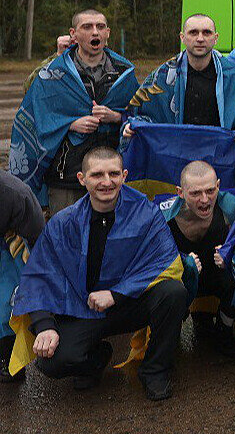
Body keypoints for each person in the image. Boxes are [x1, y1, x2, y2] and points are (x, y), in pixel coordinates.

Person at [10, 147, 190, 401]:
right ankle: (95, 359)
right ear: (82, 179)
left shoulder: (146, 212)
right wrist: (45, 326)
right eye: (97, 175)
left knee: (173, 292)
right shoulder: (63, 222)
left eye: (113, 174)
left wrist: (117, 293)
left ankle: (155, 370)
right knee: (51, 362)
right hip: (83, 308)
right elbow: (40, 274)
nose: (107, 182)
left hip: (131, 303)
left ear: (124, 175)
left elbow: (165, 262)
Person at [10, 9, 139, 211]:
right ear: (73, 34)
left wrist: (116, 117)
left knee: (109, 229)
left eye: (100, 27)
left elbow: (140, 114)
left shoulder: (125, 72)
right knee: (65, 229)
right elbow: (36, 113)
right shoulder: (55, 73)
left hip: (111, 177)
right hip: (66, 177)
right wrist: (70, 124)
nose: (95, 32)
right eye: (87, 27)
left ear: (107, 33)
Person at [123, 14, 235, 146]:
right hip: (174, 151)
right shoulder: (162, 76)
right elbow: (138, 114)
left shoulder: (233, 78)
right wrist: (131, 126)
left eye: (206, 33)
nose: (200, 39)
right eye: (193, 33)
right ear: (182, 37)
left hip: (218, 152)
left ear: (216, 38)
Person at [162, 161, 235, 358]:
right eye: (195, 193)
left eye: (210, 191)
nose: (205, 199)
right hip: (181, 283)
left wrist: (231, 251)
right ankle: (166, 337)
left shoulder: (231, 207)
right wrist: (182, 261)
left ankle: (225, 331)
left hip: (217, 277)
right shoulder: (163, 217)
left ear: (218, 185)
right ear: (180, 192)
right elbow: (151, 260)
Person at [0, 170, 45, 382]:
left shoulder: (14, 192)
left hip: (9, 246)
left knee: (5, 304)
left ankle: (8, 360)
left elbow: (38, 236)